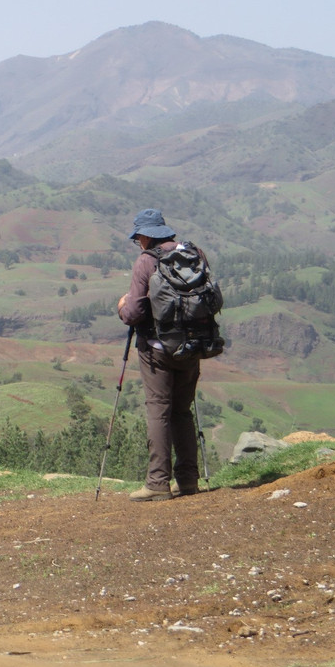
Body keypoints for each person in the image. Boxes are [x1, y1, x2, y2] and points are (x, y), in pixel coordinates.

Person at [117, 209, 202, 502]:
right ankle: (188, 480)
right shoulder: (193, 253)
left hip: (157, 350)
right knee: (182, 412)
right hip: (192, 347)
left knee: (159, 410)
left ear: (144, 236)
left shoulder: (146, 261)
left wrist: (121, 307)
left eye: (138, 237)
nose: (138, 242)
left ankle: (157, 483)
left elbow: (134, 313)